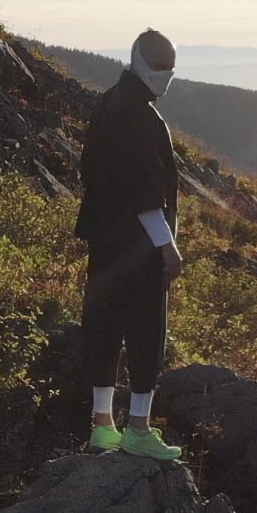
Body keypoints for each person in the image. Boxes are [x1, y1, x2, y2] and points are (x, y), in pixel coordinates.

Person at [75, 29, 185, 458]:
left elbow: (92, 170)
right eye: (161, 64)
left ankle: (102, 424)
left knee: (102, 326)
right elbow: (146, 192)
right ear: (141, 61)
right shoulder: (141, 115)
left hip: (104, 238)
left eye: (170, 64)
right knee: (145, 332)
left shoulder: (107, 103)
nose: (167, 72)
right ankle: (138, 428)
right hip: (139, 247)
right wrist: (167, 245)